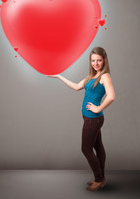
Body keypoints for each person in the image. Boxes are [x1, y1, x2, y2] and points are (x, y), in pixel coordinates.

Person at [46, 47, 115, 191]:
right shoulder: (91, 76)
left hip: (93, 119)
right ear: (90, 62)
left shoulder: (104, 76)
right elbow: (77, 87)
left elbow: (111, 96)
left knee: (86, 149)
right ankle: (101, 178)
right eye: (93, 60)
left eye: (99, 60)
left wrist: (98, 108)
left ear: (104, 61)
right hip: (90, 119)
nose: (96, 63)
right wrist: (59, 76)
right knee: (97, 147)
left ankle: (98, 178)